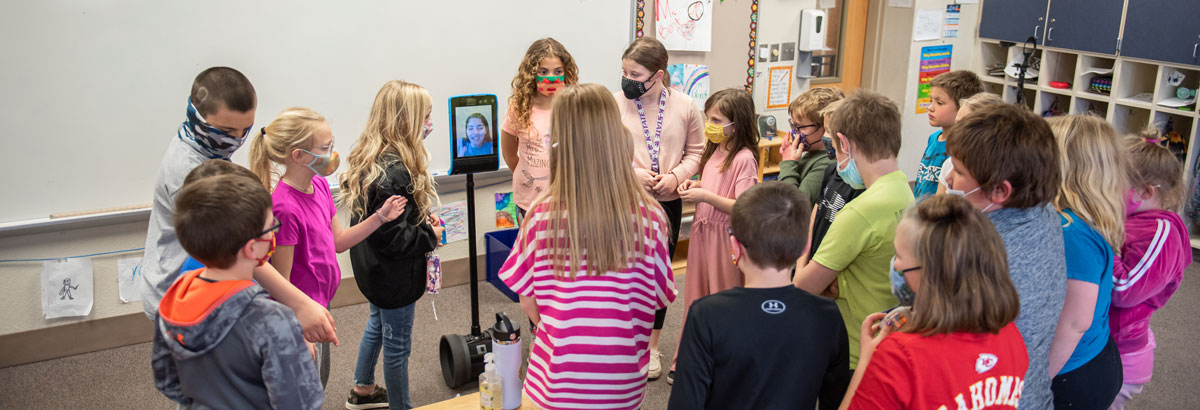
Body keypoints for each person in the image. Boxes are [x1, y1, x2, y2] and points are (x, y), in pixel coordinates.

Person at [499, 83, 677, 410]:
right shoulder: (652, 217)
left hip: (555, 384)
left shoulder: (540, 215)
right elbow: (659, 298)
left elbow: (528, 302)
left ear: (558, 144)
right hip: (623, 385)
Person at [139, 67, 337, 345]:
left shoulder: (204, 144)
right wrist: (298, 305)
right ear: (197, 115)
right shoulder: (188, 172)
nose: (236, 139)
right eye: (227, 131)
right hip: (184, 297)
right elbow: (237, 248)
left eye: (245, 129)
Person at [248, 107, 407, 387]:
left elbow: (338, 242)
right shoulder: (284, 207)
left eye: (331, 145)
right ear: (298, 156)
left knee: (319, 379)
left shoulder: (320, 185)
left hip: (320, 304)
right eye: (325, 148)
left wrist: (380, 217)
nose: (332, 154)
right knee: (303, 387)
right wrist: (296, 328)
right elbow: (281, 282)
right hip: (300, 312)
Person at [668, 182, 849, 410]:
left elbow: (685, 403)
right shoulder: (827, 316)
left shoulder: (706, 314)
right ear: (805, 247)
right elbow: (835, 399)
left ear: (735, 247)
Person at [152, 172, 323, 410]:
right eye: (270, 227)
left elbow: (166, 381)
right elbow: (299, 402)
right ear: (253, 248)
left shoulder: (172, 301)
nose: (274, 233)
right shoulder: (273, 320)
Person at [842, 195, 1028, 410]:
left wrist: (866, 362)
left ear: (929, 274)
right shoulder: (1010, 335)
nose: (896, 266)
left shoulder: (899, 356)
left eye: (899, 256)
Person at [944, 103, 1066, 410]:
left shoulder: (983, 252)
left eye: (959, 172)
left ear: (1000, 191)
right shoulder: (1042, 211)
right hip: (1030, 391)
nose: (949, 180)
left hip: (989, 396)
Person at [338, 80, 446, 410]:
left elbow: (390, 226)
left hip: (373, 269)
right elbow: (395, 239)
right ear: (406, 120)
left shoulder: (371, 158)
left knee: (377, 323)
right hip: (393, 276)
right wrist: (431, 235)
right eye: (425, 117)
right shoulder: (395, 173)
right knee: (397, 346)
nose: (429, 124)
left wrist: (421, 221)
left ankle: (363, 388)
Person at [792, 90, 914, 370]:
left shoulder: (860, 211)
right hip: (886, 340)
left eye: (835, 146)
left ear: (845, 143)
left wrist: (801, 262)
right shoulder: (905, 191)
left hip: (853, 351)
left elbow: (803, 288)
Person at [615, 36, 704, 379]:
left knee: (657, 276)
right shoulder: (614, 103)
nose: (628, 80)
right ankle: (622, 340)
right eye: (624, 72)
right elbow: (606, 152)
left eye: (635, 74)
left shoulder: (685, 106)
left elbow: (696, 152)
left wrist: (676, 176)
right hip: (624, 200)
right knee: (622, 272)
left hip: (667, 203)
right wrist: (632, 173)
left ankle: (651, 348)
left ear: (658, 75)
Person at [671, 88, 760, 383]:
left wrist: (706, 196)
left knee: (724, 298)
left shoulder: (744, 158)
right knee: (696, 298)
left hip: (725, 238)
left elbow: (744, 206)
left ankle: (725, 363)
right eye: (708, 118)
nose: (709, 125)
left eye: (717, 120)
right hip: (702, 233)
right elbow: (712, 184)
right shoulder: (714, 151)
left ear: (737, 123)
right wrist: (695, 186)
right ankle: (690, 358)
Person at [1045, 115, 1125, 408]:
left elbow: (1074, 322)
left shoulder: (1071, 232)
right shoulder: (1083, 218)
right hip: (1091, 356)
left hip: (1071, 371)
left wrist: (1037, 380)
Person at [1108, 135, 1193, 410]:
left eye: (1111, 185)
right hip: (1104, 344)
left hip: (1122, 356)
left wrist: (1102, 240)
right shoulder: (1132, 220)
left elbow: (1125, 289)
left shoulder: (1162, 233)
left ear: (1145, 192)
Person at [501, 38, 579, 215]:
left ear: (566, 72)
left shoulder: (574, 105)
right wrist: (531, 177)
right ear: (532, 74)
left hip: (567, 199)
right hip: (529, 202)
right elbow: (509, 154)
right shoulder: (518, 108)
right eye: (543, 72)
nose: (551, 78)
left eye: (557, 71)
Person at [800, 101, 863, 267]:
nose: (824, 136)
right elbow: (812, 222)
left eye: (828, 130)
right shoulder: (830, 171)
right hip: (812, 262)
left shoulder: (859, 186)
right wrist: (801, 268)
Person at [913, 71, 983, 199]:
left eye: (939, 103)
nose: (930, 107)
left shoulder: (961, 148)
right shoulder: (934, 138)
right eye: (930, 101)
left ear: (962, 107)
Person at [778, 87, 845, 205]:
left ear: (825, 127)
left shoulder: (826, 164)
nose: (795, 131)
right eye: (793, 125)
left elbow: (794, 207)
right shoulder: (810, 152)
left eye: (800, 126)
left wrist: (788, 164)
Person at [934, 93, 1004, 195]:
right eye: (957, 123)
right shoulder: (949, 164)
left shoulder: (999, 172)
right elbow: (939, 201)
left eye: (964, 126)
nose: (955, 131)